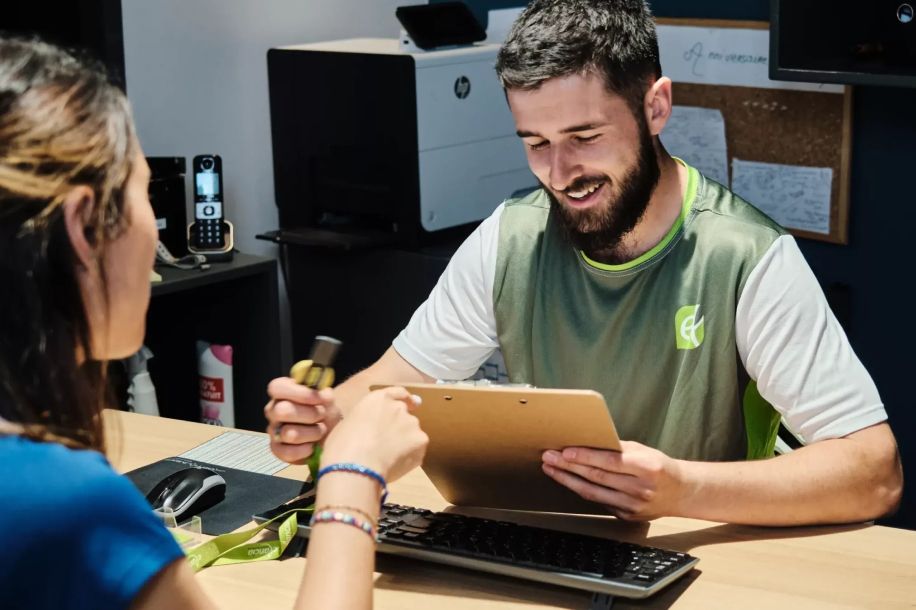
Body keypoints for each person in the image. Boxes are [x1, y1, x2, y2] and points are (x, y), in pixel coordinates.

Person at [266, 0, 902, 527]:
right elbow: (393, 386)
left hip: (699, 554)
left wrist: (683, 488)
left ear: (655, 107)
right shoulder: (510, 238)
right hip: (552, 543)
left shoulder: (747, 255)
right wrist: (327, 419)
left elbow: (875, 473)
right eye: (536, 143)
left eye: (584, 137)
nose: (560, 173)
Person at [0, 37, 427, 610]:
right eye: (144, 194)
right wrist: (354, 477)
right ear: (83, 225)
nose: (153, 231)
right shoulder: (65, 504)